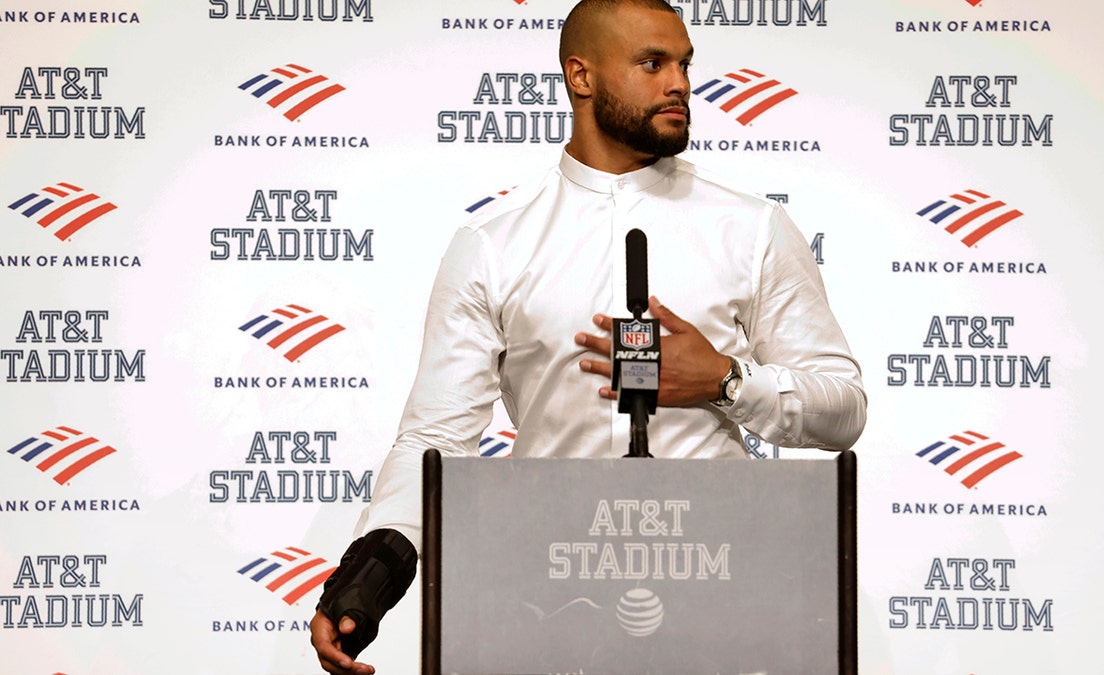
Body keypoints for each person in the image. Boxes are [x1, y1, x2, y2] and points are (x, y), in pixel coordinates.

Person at [310, 0, 867, 672]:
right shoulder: (494, 247)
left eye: (685, 64)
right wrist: (365, 583)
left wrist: (726, 379)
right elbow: (434, 438)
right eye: (653, 62)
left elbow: (843, 406)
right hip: (546, 603)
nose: (681, 84)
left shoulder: (751, 230)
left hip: (720, 602)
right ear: (582, 76)